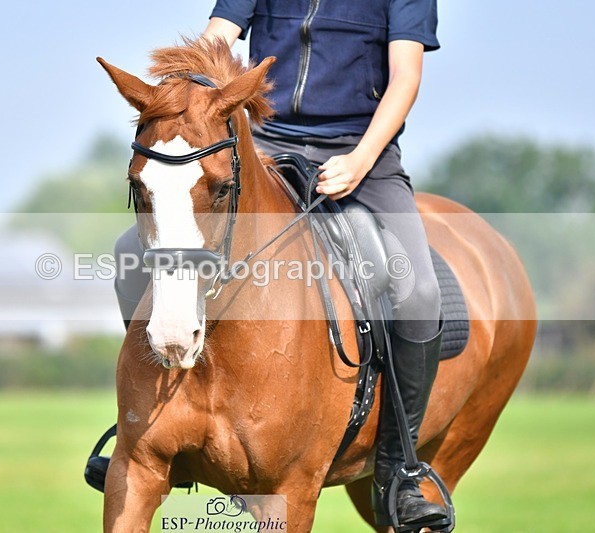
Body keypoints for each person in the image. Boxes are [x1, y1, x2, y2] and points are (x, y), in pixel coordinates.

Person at [109, 0, 446, 528]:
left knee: (418, 292)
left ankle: (399, 469)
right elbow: (215, 41)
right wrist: (191, 103)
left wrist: (360, 161)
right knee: (129, 252)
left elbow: (405, 76)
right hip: (260, 143)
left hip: (361, 153)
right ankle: (141, 423)